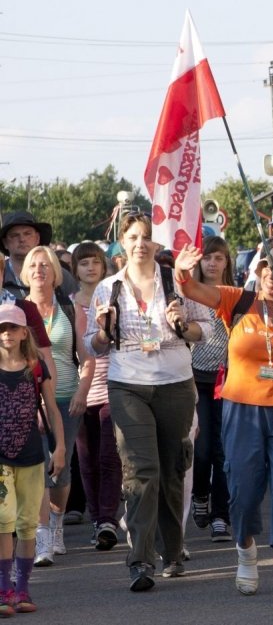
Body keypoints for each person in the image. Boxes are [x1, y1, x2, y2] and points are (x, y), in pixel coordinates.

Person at [174, 241, 273, 603]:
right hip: (241, 408)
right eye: (269, 269)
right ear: (258, 271)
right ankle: (246, 554)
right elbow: (191, 288)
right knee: (242, 489)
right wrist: (181, 269)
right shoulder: (237, 300)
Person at [84, 212, 212, 592]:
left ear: (157, 244)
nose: (141, 243)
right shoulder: (107, 288)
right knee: (142, 470)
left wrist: (182, 325)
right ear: (123, 243)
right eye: (134, 237)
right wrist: (104, 332)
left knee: (172, 468)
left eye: (148, 237)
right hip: (127, 385)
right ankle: (140, 561)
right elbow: (92, 343)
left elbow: (205, 329)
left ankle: (172, 550)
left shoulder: (179, 282)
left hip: (175, 383)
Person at [22, 246, 94, 566]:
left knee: (60, 471)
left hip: (66, 397)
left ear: (55, 273)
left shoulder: (69, 307)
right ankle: (42, 538)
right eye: (33, 265)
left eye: (45, 265)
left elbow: (87, 357)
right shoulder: (16, 310)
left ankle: (57, 523)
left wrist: (82, 390)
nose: (39, 270)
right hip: (26, 399)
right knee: (38, 468)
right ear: (26, 273)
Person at [0, 304, 65, 616]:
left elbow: (51, 408)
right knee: (4, 519)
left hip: (31, 455)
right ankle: (4, 589)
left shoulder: (35, 365)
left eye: (12, 328)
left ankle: (23, 589)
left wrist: (61, 447)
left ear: (24, 332)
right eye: (1, 328)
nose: (6, 334)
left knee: (27, 523)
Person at [71, 242, 122, 550]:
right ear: (75, 269)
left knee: (108, 456)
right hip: (80, 389)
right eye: (84, 263)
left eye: (95, 262)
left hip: (113, 384)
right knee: (86, 459)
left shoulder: (115, 296)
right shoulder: (70, 304)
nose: (90, 268)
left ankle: (107, 520)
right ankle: (95, 520)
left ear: (104, 266)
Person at [189, 236, 233, 543]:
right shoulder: (190, 294)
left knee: (224, 450)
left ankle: (221, 515)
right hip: (196, 378)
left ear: (227, 262)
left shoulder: (236, 295)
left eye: (219, 258)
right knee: (202, 449)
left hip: (229, 379)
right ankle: (199, 493)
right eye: (208, 258)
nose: (213, 263)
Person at [0, 211, 77, 299]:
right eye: (14, 235)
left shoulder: (60, 275)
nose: (22, 239)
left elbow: (75, 308)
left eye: (27, 233)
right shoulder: (1, 273)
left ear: (37, 238)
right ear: (5, 242)